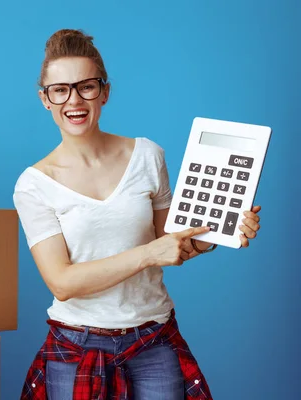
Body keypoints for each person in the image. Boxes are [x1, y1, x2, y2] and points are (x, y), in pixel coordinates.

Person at [13, 28, 262, 400]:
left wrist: (221, 230)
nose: (74, 100)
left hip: (152, 339)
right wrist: (148, 253)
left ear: (105, 92)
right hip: (75, 345)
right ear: (45, 99)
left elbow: (176, 244)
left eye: (87, 86)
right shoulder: (34, 184)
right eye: (60, 89)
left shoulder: (147, 156)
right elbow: (62, 282)